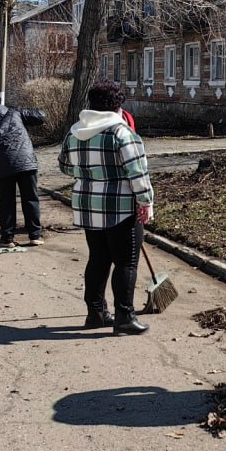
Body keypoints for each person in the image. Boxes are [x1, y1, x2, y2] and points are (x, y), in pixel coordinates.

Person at [58, 80, 153, 335]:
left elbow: (64, 166)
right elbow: (138, 172)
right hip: (120, 206)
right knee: (126, 262)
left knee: (98, 259)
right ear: (118, 104)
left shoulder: (75, 132)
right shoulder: (122, 133)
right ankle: (125, 317)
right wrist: (146, 202)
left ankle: (96, 314)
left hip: (88, 205)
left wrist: (88, 173)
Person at [0, 101, 46, 247]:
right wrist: (20, 111)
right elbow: (41, 116)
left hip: (1, 166)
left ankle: (7, 238)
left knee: (6, 202)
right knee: (30, 199)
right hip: (26, 162)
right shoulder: (15, 113)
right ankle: (35, 236)